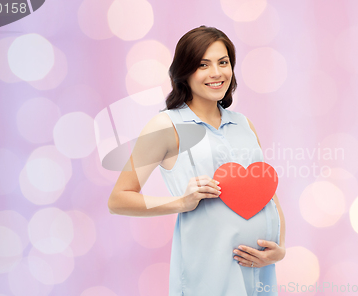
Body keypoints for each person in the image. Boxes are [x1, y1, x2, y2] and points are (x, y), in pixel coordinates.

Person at [108, 25, 286, 296]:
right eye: (203, 64)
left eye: (223, 62)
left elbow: (269, 196)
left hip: (259, 271)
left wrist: (279, 249)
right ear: (184, 72)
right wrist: (181, 202)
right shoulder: (166, 126)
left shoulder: (243, 124)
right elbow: (119, 199)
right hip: (208, 273)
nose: (217, 73)